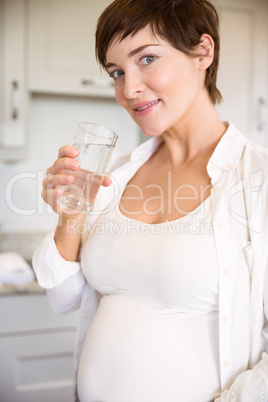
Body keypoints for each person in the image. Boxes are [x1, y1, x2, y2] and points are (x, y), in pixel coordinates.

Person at [32, 0, 268, 401]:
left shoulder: (256, 181)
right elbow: (63, 298)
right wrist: (70, 215)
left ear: (202, 52)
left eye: (148, 59)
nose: (129, 89)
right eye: (117, 72)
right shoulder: (117, 174)